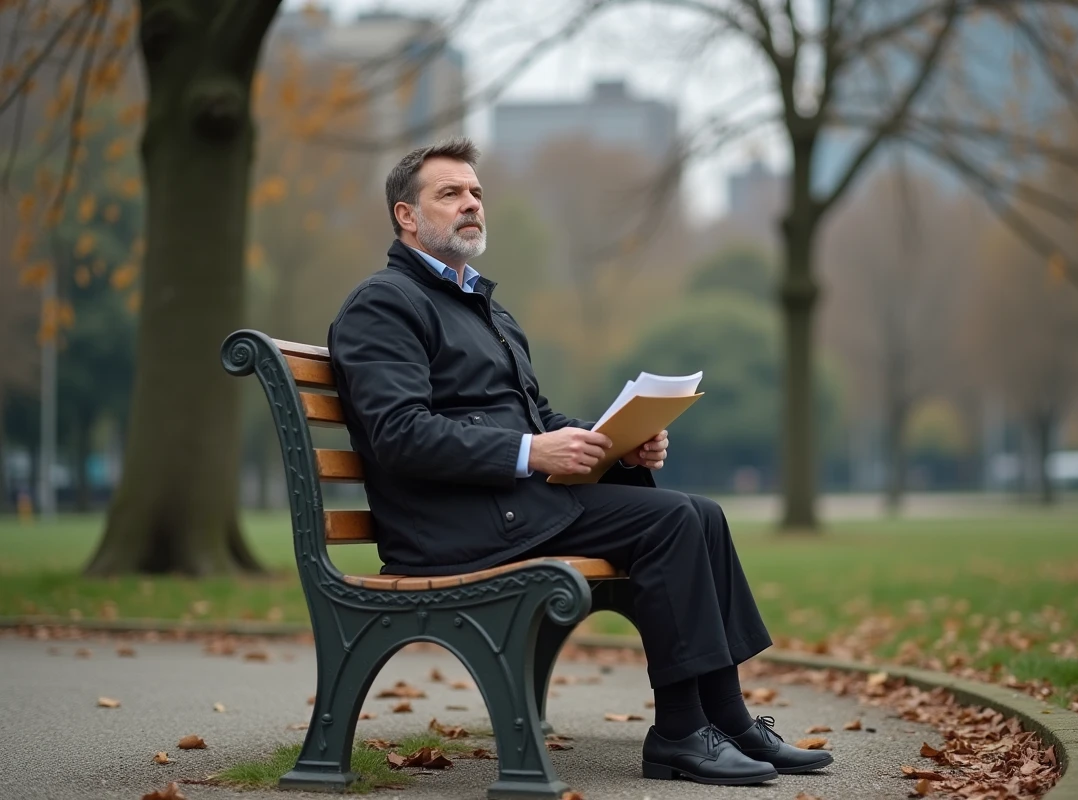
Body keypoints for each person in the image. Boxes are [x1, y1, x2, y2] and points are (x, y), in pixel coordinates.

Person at [328, 138, 833, 786]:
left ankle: (729, 721)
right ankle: (681, 735)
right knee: (672, 522)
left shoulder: (486, 308)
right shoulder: (384, 304)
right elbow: (400, 433)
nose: (471, 204)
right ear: (405, 215)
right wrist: (529, 452)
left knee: (701, 516)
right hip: (449, 525)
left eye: (476, 193)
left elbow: (536, 414)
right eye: (450, 193)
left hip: (509, 505)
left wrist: (615, 445)